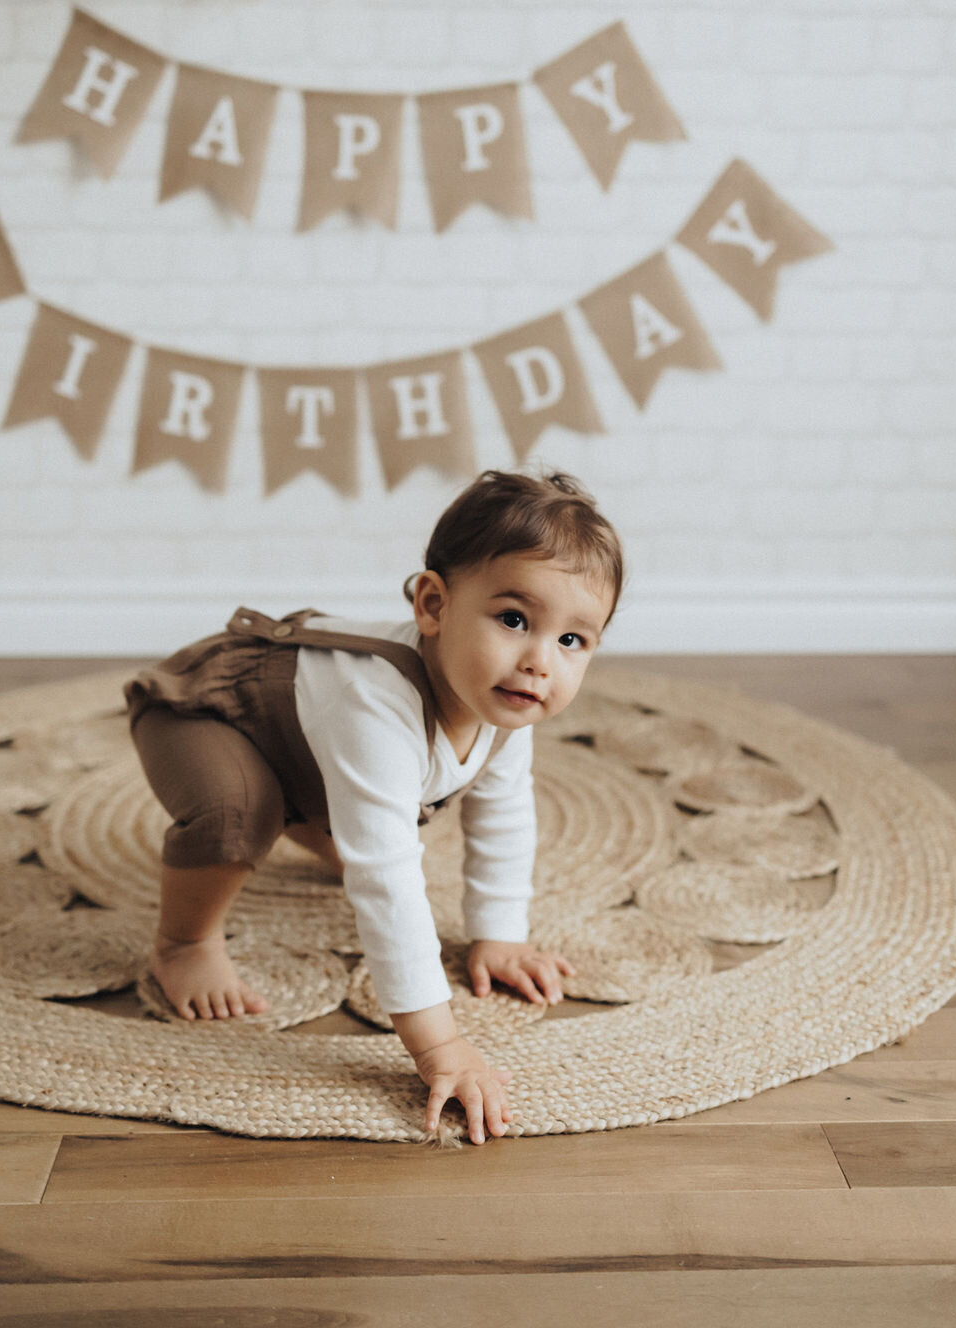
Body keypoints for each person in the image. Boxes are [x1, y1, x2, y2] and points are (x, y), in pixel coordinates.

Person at [124, 469, 624, 1145]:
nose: (540, 661)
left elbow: (504, 813)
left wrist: (500, 931)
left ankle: (306, 819)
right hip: (207, 712)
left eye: (572, 641)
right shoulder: (377, 709)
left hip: (299, 744)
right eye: (513, 620)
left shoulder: (503, 702)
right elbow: (386, 884)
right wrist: (438, 1046)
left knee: (354, 810)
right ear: (432, 605)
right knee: (240, 814)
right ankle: (182, 942)